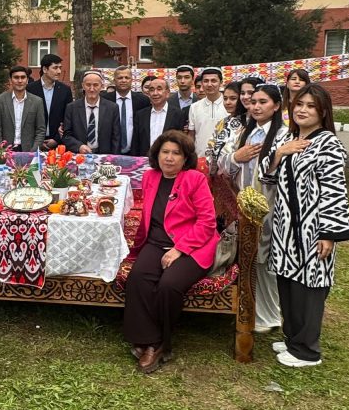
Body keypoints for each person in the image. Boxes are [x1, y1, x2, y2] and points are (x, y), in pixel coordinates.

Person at [261, 84, 349, 368]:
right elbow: (267, 175)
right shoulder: (288, 138)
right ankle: (293, 338)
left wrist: (329, 233)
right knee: (288, 283)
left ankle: (307, 350)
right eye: (299, 104)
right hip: (285, 227)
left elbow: (335, 190)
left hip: (312, 229)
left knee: (309, 287)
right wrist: (280, 153)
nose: (302, 110)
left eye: (311, 106)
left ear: (323, 112)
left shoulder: (328, 144)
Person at [123, 130, 219, 374]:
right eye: (165, 152)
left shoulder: (195, 179)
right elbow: (148, 216)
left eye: (176, 153)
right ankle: (149, 339)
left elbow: (207, 222)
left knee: (169, 285)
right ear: (157, 155)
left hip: (193, 245)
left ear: (185, 158)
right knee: (138, 278)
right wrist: (138, 246)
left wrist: (180, 249)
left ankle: (160, 345)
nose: (169, 157)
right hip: (156, 242)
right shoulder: (150, 176)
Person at [219, 84, 289, 333]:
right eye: (253, 102)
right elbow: (223, 163)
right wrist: (236, 157)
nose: (256, 106)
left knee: (264, 257)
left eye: (263, 102)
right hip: (241, 205)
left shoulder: (284, 136)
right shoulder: (242, 132)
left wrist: (274, 157)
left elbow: (285, 172)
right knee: (244, 254)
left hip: (271, 205)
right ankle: (246, 306)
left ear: (277, 106)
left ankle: (268, 314)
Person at [62, 71, 120, 155]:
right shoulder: (72, 108)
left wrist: (113, 158)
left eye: (96, 85)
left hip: (104, 155)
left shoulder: (112, 108)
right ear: (83, 86)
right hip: (80, 155)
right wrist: (79, 146)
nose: (92, 89)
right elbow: (66, 135)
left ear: (102, 86)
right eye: (88, 85)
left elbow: (116, 137)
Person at [0, 65, 46, 151]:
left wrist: (34, 151)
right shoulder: (1, 100)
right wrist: (0, 150)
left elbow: (41, 129)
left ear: (27, 80)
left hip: (29, 149)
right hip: (6, 150)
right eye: (16, 77)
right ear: (10, 80)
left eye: (23, 77)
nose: (20, 81)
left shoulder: (37, 101)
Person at [27, 53, 73, 150]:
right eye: (55, 68)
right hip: (33, 143)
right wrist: (37, 141)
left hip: (58, 144)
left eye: (60, 68)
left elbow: (68, 117)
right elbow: (26, 119)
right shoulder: (30, 89)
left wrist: (56, 139)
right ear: (45, 69)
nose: (59, 71)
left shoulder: (65, 90)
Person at [102, 65, 150, 155]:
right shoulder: (104, 100)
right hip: (110, 151)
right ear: (114, 81)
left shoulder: (143, 101)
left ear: (132, 80)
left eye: (127, 77)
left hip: (135, 151)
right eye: (120, 78)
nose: (123, 80)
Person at [134, 77, 187, 156]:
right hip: (145, 159)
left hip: (169, 159)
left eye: (159, 89)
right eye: (152, 90)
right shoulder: (140, 115)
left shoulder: (178, 114)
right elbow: (135, 143)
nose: (155, 93)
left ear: (167, 93)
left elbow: (181, 143)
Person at [205, 81, 246, 174]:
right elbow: (210, 147)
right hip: (217, 175)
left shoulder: (248, 123)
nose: (228, 102)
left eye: (233, 98)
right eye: (225, 98)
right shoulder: (221, 123)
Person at [188, 67, 226, 158]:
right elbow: (191, 135)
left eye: (213, 81)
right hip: (200, 158)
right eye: (206, 81)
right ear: (202, 83)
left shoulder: (229, 104)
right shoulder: (194, 107)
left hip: (225, 159)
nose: (209, 84)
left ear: (221, 83)